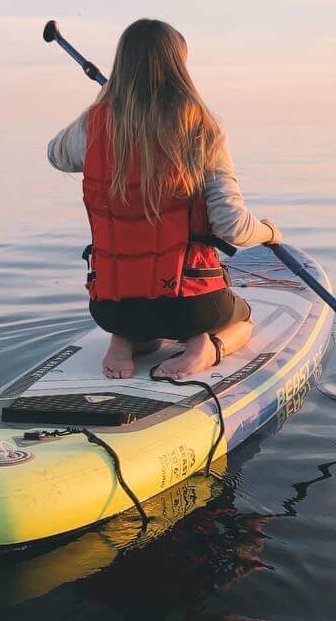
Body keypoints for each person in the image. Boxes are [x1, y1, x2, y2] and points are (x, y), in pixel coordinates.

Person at [47, 19, 281, 381]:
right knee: (244, 318)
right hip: (190, 309)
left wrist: (104, 110)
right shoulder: (203, 129)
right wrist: (268, 232)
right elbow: (232, 227)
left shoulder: (93, 125)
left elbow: (56, 155)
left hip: (111, 308)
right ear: (179, 67)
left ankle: (123, 343)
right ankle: (204, 347)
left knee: (139, 311)